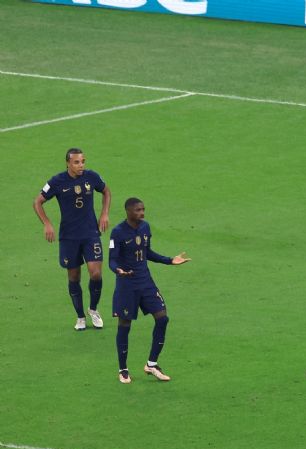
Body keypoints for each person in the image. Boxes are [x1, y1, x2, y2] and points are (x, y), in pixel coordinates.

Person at [109, 198, 190, 384]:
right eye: (138, 210)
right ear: (128, 211)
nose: (142, 213)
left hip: (145, 282)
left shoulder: (145, 228)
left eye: (143, 209)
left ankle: (152, 364)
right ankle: (123, 369)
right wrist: (118, 270)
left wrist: (170, 260)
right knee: (124, 325)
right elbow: (112, 260)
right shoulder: (118, 232)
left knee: (162, 318)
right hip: (126, 285)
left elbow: (148, 253)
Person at [34, 148, 112, 331]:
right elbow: (37, 201)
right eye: (77, 162)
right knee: (74, 276)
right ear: (68, 163)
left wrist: (104, 214)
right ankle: (80, 317)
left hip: (90, 234)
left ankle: (93, 309)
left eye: (83, 161)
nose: (81, 165)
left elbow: (106, 192)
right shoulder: (57, 181)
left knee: (96, 273)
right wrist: (47, 223)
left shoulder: (92, 177)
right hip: (69, 237)